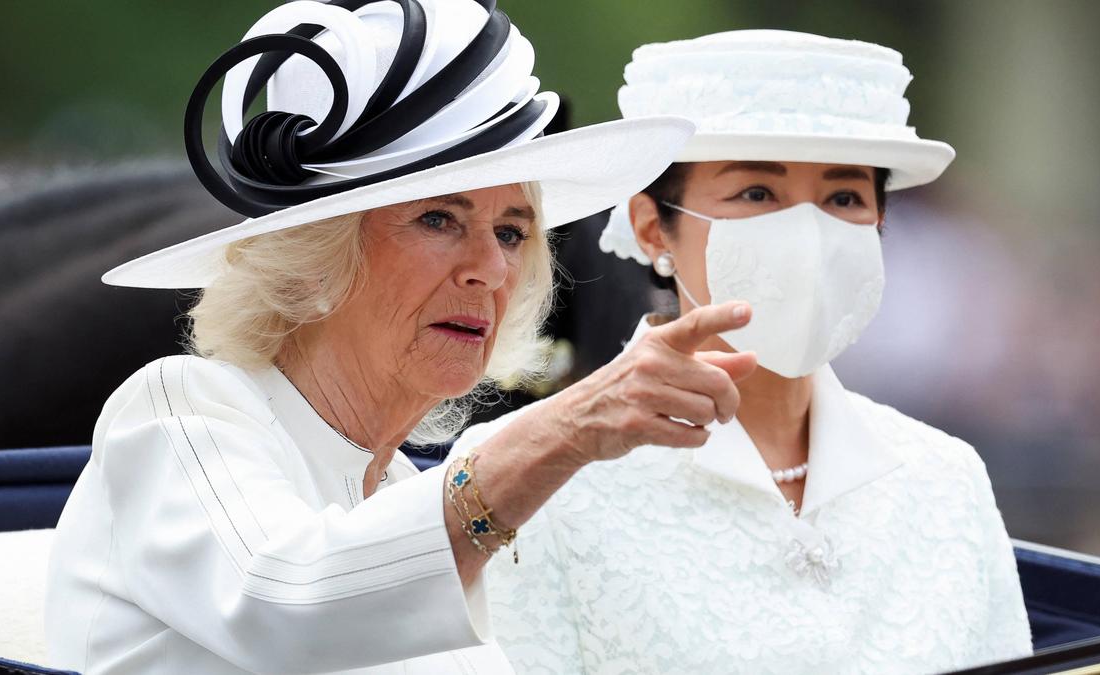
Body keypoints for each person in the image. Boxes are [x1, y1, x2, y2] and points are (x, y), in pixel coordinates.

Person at [43, 2, 745, 673]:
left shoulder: (403, 490)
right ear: (316, 256)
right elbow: (287, 606)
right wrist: (568, 425)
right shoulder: (180, 409)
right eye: (440, 219)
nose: (492, 269)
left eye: (510, 232)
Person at [451, 30, 1034, 673]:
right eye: (757, 194)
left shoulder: (945, 477)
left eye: (844, 198)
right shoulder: (532, 470)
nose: (809, 234)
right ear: (651, 225)